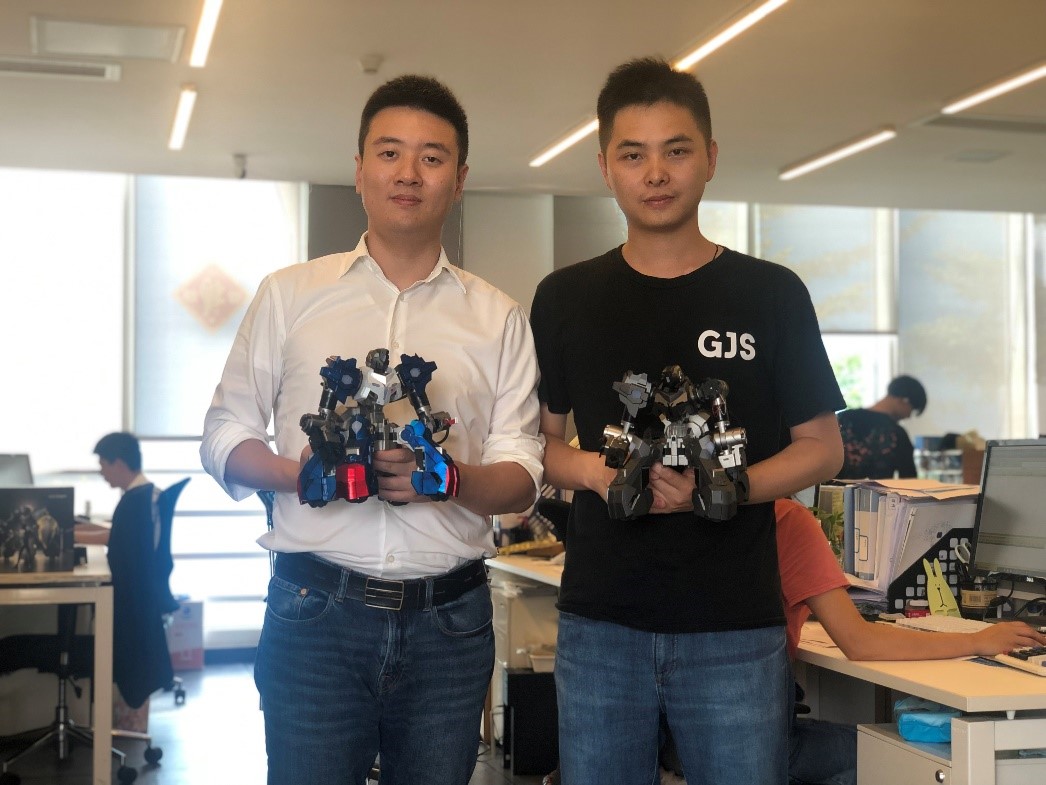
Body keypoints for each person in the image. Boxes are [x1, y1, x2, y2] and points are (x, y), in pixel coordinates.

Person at [200, 75, 543, 785]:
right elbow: (223, 434)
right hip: (315, 615)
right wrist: (302, 474)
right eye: (389, 153)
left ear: (460, 179)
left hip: (449, 623)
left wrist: (449, 479)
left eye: (431, 157)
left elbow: (523, 474)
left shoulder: (499, 317)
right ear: (359, 170)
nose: (408, 173)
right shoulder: (289, 295)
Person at [529, 57, 846, 785]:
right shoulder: (566, 297)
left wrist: (724, 488)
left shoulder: (771, 293)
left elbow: (822, 447)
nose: (656, 173)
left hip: (735, 625)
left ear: (710, 157)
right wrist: (595, 471)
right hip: (602, 620)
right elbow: (537, 442)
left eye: (676, 150)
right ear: (605, 167)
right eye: (632, 154)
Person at [658, 497, 1046, 785]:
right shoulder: (783, 518)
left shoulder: (666, 518)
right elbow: (859, 642)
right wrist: (977, 641)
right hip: (755, 749)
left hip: (676, 747)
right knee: (901, 757)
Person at [91, 431, 177, 709]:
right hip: (141, 602)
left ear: (118, 463)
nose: (101, 472)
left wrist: (68, 535)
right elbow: (118, 535)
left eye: (103, 465)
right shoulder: (143, 495)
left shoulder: (134, 501)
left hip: (129, 607)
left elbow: (115, 538)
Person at [836, 375, 927, 479]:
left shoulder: (843, 418)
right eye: (912, 409)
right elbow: (909, 481)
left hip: (832, 488)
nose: (909, 416)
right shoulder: (897, 433)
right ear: (904, 400)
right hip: (876, 490)